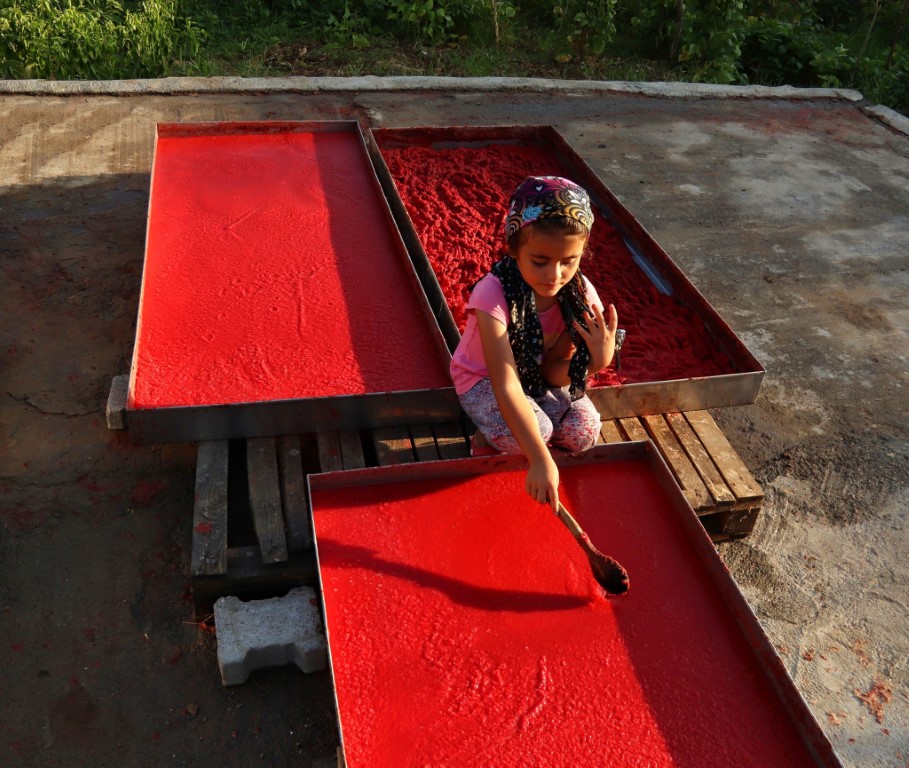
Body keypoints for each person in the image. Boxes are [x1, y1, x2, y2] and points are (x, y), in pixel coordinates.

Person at [450, 176, 620, 513]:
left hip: (536, 378)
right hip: (484, 381)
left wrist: (595, 362)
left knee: (582, 432)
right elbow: (506, 382)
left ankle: (525, 437)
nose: (554, 275)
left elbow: (552, 373)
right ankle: (487, 436)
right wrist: (540, 459)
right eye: (539, 261)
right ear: (514, 249)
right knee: (535, 434)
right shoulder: (492, 293)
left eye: (568, 261)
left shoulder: (579, 295)